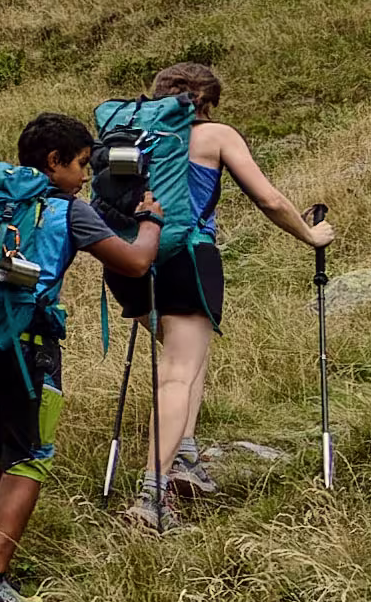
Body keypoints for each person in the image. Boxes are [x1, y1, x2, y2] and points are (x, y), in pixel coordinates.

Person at [0, 110, 156, 602]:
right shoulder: (65, 208)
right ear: (55, 162)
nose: (86, 175)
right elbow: (136, 263)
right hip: (31, 351)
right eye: (79, 164)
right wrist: (151, 220)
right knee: (31, 457)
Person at [94, 61, 332, 526]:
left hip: (126, 260)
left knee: (185, 356)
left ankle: (184, 457)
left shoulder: (130, 134)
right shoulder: (215, 135)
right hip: (188, 256)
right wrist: (311, 236)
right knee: (179, 370)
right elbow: (270, 200)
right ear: (208, 101)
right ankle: (152, 495)